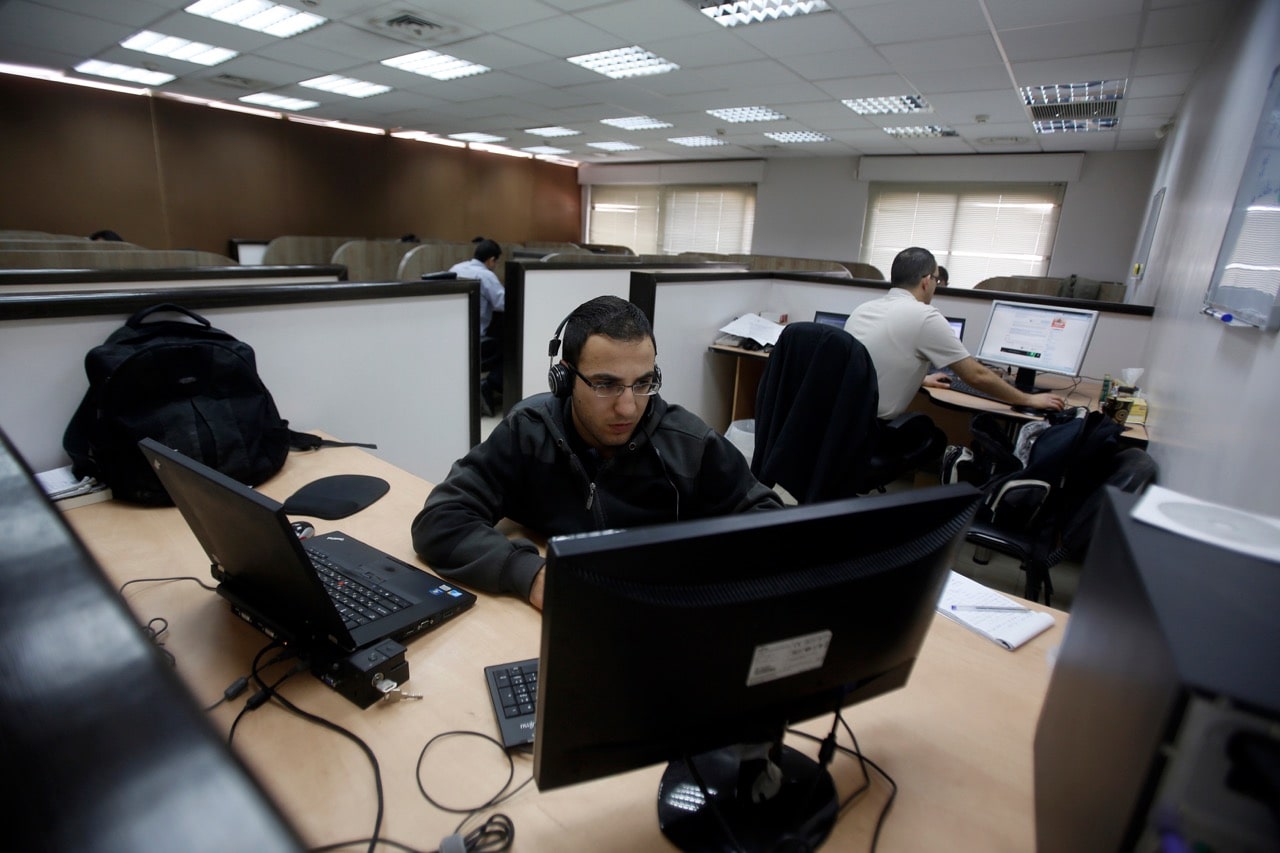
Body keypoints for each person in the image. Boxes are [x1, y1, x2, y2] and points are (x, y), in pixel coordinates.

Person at [411, 295, 783, 609]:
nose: (628, 408)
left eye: (643, 383)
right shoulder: (529, 431)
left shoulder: (689, 444)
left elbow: (774, 530)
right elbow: (441, 519)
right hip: (556, 621)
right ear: (565, 377)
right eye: (606, 385)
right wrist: (532, 574)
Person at [845, 246, 1065, 419]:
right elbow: (976, 376)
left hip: (843, 421)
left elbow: (875, 363)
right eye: (937, 279)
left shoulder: (863, 309)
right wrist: (1029, 400)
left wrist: (921, 379)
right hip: (873, 428)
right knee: (933, 436)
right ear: (926, 281)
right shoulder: (925, 316)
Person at [450, 237, 505, 412]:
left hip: (452, 334)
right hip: (477, 338)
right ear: (491, 260)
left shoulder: (456, 268)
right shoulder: (486, 275)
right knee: (511, 348)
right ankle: (489, 384)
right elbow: (503, 303)